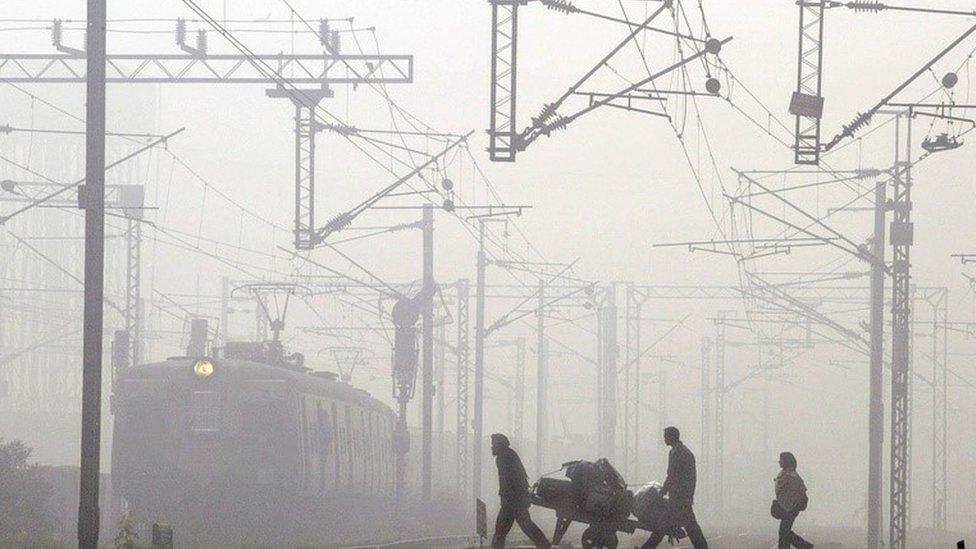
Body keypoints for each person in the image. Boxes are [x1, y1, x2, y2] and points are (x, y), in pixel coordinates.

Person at [641, 426, 708, 549]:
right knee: (681, 526)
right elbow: (670, 476)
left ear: (672, 437)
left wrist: (688, 496)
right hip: (675, 498)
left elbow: (691, 478)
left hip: (681, 498)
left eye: (666, 436)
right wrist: (662, 492)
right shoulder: (673, 453)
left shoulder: (685, 454)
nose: (664, 439)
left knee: (672, 525)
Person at [490, 433, 551, 549]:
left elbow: (507, 481)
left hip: (512, 501)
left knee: (502, 529)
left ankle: (544, 544)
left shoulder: (503, 457)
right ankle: (544, 544)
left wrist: (505, 500)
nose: (492, 447)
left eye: (493, 444)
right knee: (525, 525)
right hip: (517, 500)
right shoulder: (509, 454)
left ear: (499, 444)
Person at [774, 452, 813, 549]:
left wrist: (793, 504)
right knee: (785, 531)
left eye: (781, 459)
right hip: (786, 507)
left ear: (786, 461)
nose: (779, 461)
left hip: (791, 508)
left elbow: (801, 491)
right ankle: (805, 546)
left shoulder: (792, 475)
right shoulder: (784, 474)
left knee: (784, 531)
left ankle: (803, 546)